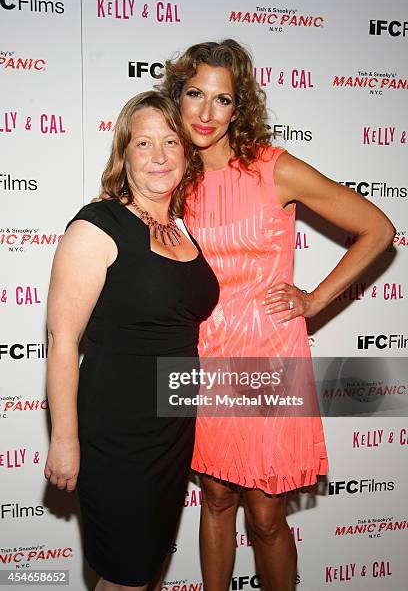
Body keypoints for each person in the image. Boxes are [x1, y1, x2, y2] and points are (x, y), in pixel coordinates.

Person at [159, 40, 396, 591]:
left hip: (267, 354)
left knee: (265, 515)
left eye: (222, 100)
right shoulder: (173, 177)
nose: (206, 112)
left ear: (239, 109)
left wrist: (313, 301)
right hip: (205, 352)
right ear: (178, 96)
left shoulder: (273, 169)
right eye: (195, 94)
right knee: (215, 497)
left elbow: (378, 229)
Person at [43, 91, 219, 591]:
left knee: (143, 574)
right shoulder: (98, 226)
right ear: (124, 154)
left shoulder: (183, 231)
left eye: (170, 141)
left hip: (172, 431)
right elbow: (62, 341)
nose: (160, 155)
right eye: (144, 143)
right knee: (126, 577)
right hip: (117, 434)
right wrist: (64, 440)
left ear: (186, 153)